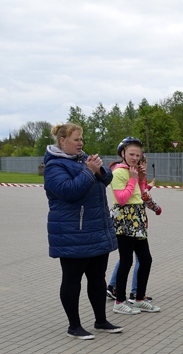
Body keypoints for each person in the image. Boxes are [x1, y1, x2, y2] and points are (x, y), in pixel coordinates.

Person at [43, 123, 123, 339]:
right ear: (62, 141)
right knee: (72, 280)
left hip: (96, 228)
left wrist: (99, 170)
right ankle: (74, 326)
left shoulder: (83, 159)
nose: (81, 143)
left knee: (98, 278)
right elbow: (69, 191)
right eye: (76, 139)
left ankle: (101, 320)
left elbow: (106, 180)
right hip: (72, 233)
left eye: (82, 139)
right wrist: (89, 171)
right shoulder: (54, 166)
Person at [109, 137, 160, 314]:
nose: (135, 158)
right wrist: (132, 179)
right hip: (124, 218)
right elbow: (122, 199)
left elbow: (139, 193)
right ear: (122, 153)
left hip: (137, 218)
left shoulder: (133, 170)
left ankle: (139, 298)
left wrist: (141, 178)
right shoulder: (118, 172)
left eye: (138, 155)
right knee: (126, 261)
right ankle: (119, 302)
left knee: (146, 259)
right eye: (131, 154)